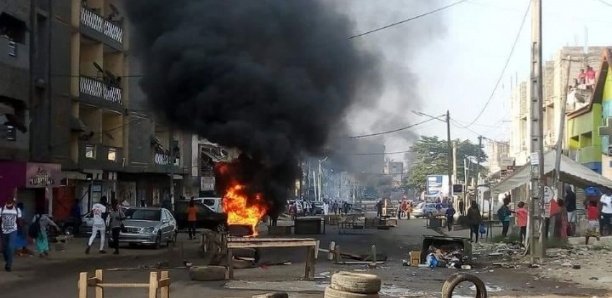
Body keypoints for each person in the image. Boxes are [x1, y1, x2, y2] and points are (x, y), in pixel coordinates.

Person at [1, 198, 22, 271]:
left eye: (12, 201)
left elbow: (19, 221)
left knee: (10, 247)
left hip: (13, 231)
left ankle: (9, 265)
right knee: (4, 249)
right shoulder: (1, 209)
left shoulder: (17, 210)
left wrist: (21, 229)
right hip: (3, 231)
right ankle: (7, 260)